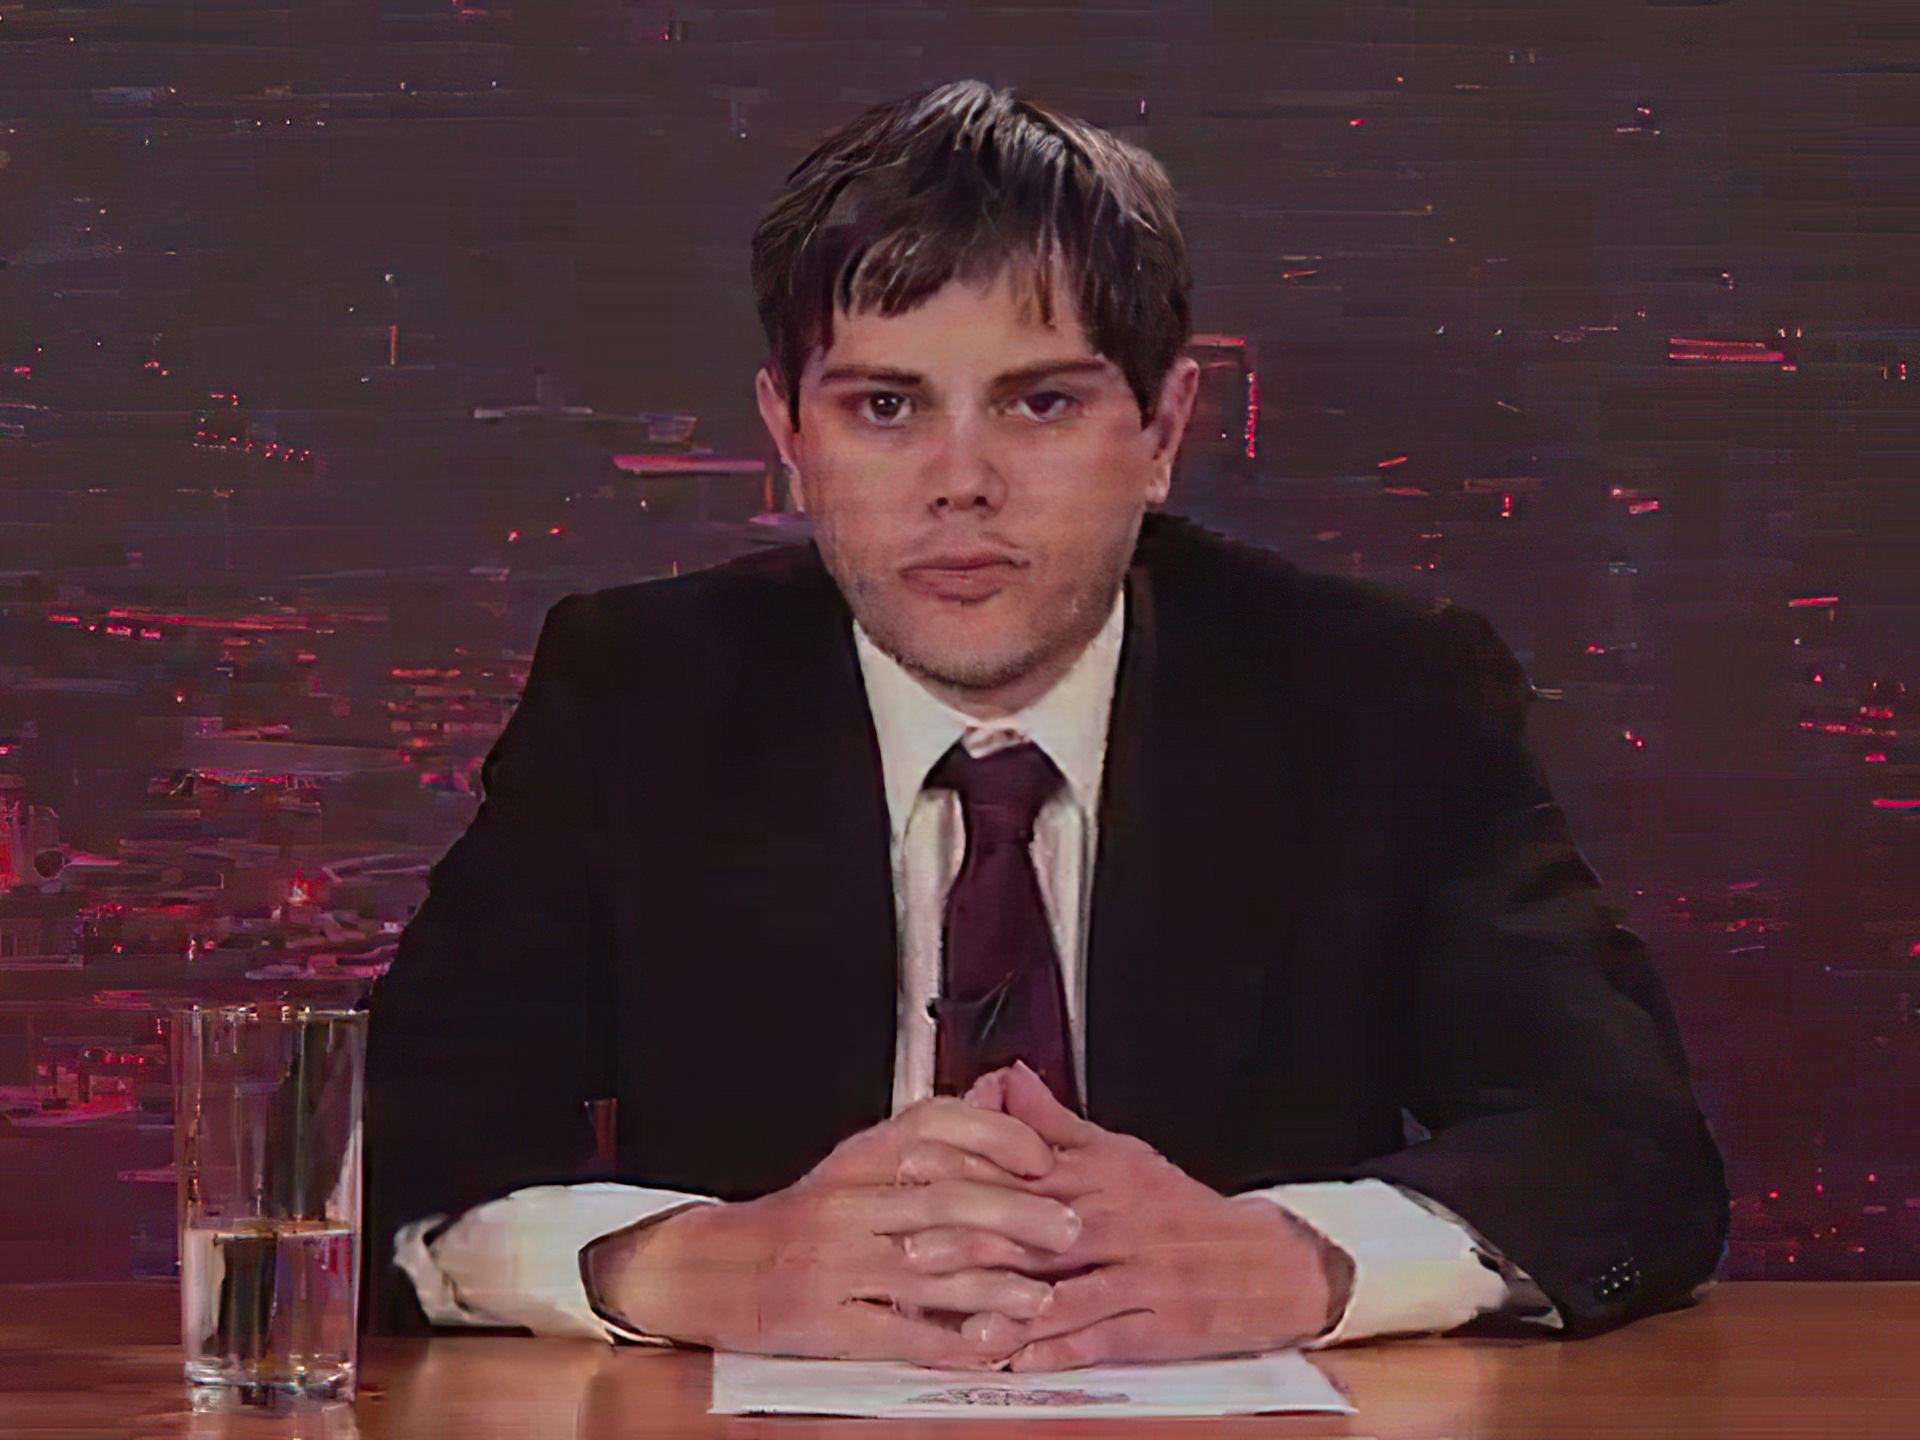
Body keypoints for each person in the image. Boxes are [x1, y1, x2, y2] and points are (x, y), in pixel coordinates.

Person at [363, 80, 1728, 1370]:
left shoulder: (1379, 697)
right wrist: (686, 1264)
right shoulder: (637, 696)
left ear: (1164, 428)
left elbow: (1637, 1161)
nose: (961, 484)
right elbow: (379, 1160)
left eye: (1042, 403)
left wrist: (1292, 1261)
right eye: (885, 407)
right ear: (788, 433)